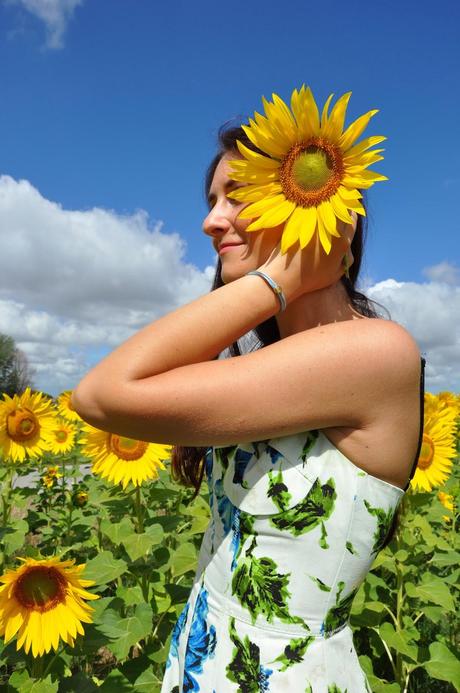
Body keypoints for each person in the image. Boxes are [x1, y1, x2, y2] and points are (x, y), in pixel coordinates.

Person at [73, 87, 425, 693]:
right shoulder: (263, 363)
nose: (210, 220)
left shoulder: (376, 352)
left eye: (235, 197)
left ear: (307, 197)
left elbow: (102, 394)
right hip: (203, 653)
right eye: (211, 200)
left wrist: (278, 278)